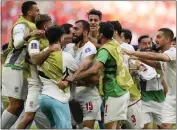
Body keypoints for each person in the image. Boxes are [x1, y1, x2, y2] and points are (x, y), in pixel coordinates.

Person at [69, 22, 133, 129]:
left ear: (101, 35)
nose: (96, 34)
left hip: (114, 92)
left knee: (109, 127)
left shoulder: (105, 50)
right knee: (116, 127)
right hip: (122, 90)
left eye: (98, 32)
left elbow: (94, 70)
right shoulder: (115, 44)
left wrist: (74, 78)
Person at [1, 1, 43, 129]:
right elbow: (17, 43)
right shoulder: (21, 26)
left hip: (23, 69)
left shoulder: (32, 25)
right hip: (14, 67)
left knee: (19, 106)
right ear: (30, 12)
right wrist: (29, 35)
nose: (38, 13)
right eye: (37, 10)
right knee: (14, 105)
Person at [123, 28, 176, 129]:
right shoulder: (166, 55)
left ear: (168, 39)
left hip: (169, 97)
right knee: (165, 126)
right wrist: (139, 58)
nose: (155, 40)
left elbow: (155, 57)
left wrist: (133, 53)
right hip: (168, 97)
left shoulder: (173, 52)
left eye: (159, 37)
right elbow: (156, 64)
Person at [16, 14, 53, 129]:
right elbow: (34, 59)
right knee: (28, 117)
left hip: (46, 85)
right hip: (36, 85)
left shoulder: (46, 39)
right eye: (51, 23)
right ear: (46, 25)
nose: (52, 25)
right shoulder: (34, 40)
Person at [37, 25, 78, 129]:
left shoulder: (41, 54)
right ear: (61, 38)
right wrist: (68, 80)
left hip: (43, 99)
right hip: (57, 98)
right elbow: (78, 72)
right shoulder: (65, 56)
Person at [66, 20, 102, 129]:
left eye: (77, 29)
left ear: (85, 32)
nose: (73, 31)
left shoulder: (89, 47)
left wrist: (74, 77)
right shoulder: (71, 49)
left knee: (87, 127)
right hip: (74, 95)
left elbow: (85, 64)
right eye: (73, 28)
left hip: (89, 95)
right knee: (78, 127)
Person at [111, 20, 144, 129]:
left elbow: (134, 67)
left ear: (115, 32)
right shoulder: (106, 47)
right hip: (114, 93)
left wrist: (136, 68)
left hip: (130, 94)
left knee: (135, 127)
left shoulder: (128, 48)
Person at [136, 35, 166, 129]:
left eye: (149, 43)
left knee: (164, 126)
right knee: (143, 127)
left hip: (159, 98)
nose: (147, 46)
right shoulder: (134, 59)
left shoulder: (158, 57)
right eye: (144, 44)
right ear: (139, 45)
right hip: (143, 99)